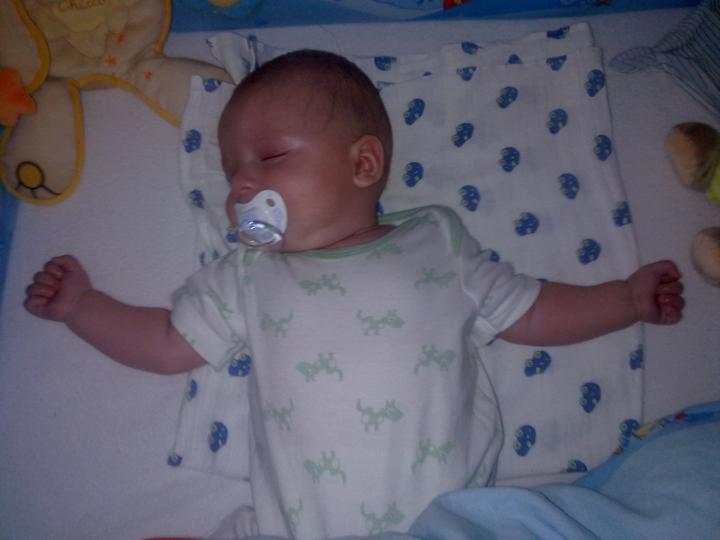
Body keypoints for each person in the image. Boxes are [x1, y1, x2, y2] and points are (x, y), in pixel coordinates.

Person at [24, 49, 685, 539]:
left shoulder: (435, 244)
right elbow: (169, 342)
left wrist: (622, 300)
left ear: (363, 164)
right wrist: (82, 306)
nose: (241, 186)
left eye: (269, 157)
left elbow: (530, 311)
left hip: (442, 523)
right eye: (230, 173)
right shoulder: (249, 273)